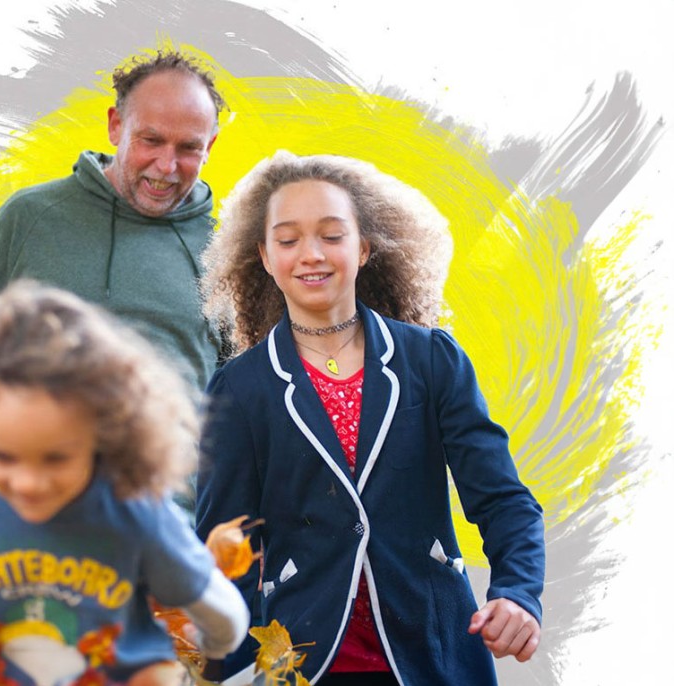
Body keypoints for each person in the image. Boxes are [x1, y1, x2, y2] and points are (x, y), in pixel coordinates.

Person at [0, 50, 226, 577]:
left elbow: (243, 414)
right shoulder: (32, 220)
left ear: (210, 146)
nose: (166, 166)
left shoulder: (225, 253)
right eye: (150, 140)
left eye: (188, 148)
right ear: (115, 125)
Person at [194, 151, 545, 686]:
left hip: (433, 656)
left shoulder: (432, 360)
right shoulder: (240, 390)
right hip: (302, 666)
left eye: (332, 235)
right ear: (264, 256)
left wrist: (518, 594)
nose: (310, 254)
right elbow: (228, 547)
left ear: (365, 247)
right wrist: (211, 661)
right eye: (288, 240)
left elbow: (502, 499)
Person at [0, 282, 249, 686]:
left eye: (57, 458)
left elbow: (217, 606)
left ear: (106, 435)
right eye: (2, 457)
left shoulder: (133, 507)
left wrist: (210, 639)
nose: (29, 483)